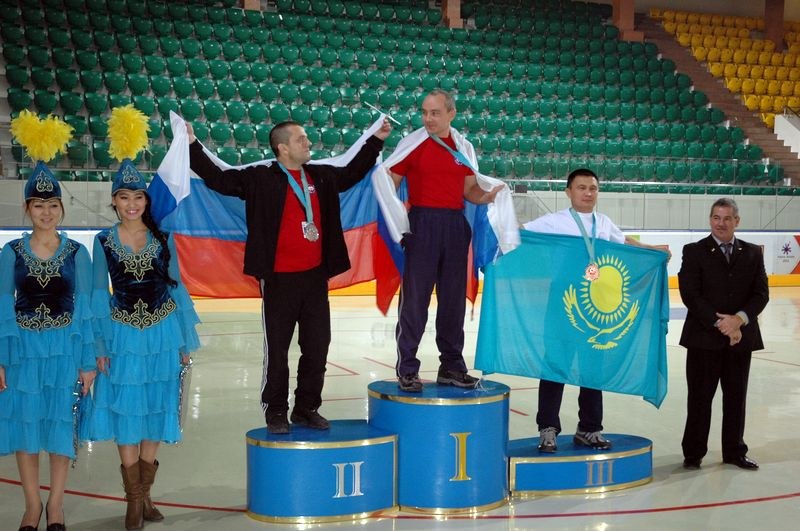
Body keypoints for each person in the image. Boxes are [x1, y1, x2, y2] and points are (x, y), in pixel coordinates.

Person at [186, 118, 391, 434]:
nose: (308, 143)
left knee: (318, 347)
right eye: (301, 139)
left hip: (314, 280)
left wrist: (375, 139)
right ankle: (276, 412)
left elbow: (353, 173)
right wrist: (191, 145)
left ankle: (307, 408)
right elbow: (218, 179)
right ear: (282, 147)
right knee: (278, 351)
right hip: (278, 280)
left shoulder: (320, 176)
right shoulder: (260, 178)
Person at [523, 168, 669, 453]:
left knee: (593, 367)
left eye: (593, 188)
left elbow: (625, 243)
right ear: (568, 192)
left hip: (593, 303)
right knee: (556, 365)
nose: (588, 193)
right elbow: (522, 236)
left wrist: (652, 251)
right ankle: (548, 428)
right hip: (562, 304)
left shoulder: (603, 223)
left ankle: (589, 428)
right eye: (581, 188)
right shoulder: (555, 222)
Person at [91, 161, 201, 529]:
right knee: (127, 413)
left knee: (156, 409)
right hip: (121, 335)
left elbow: (178, 287)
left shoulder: (164, 238)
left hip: (163, 334)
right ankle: (135, 501)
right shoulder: (102, 241)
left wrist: (184, 338)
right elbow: (94, 295)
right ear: (115, 202)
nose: (132, 203)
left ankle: (141, 497)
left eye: (138, 196)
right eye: (124, 197)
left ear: (146, 201)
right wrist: (100, 343)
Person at [386, 89, 505, 393]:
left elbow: (470, 192)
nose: (428, 119)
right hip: (422, 224)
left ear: (451, 114)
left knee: (453, 302)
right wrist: (398, 219)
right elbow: (390, 185)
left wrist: (487, 196)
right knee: (415, 301)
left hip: (455, 225)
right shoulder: (411, 144)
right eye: (424, 112)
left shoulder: (463, 147)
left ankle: (451, 367)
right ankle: (408, 369)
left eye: (435, 113)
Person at [0, 167, 96, 531]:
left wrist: (87, 362)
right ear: (27, 209)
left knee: (60, 425)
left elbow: (85, 310)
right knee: (26, 428)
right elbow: (1, 304)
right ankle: (31, 506)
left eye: (53, 204)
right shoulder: (10, 252)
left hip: (65, 351)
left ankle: (55, 506)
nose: (46, 212)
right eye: (39, 205)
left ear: (61, 209)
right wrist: (1, 358)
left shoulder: (77, 254)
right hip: (23, 350)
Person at [678, 197, 768, 471]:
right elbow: (690, 295)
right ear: (710, 220)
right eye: (716, 217)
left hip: (740, 340)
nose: (721, 223)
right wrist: (723, 325)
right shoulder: (694, 251)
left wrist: (739, 320)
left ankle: (734, 452)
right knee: (700, 399)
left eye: (727, 218)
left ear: (736, 221)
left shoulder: (752, 253)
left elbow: (761, 294)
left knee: (736, 398)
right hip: (704, 340)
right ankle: (693, 454)